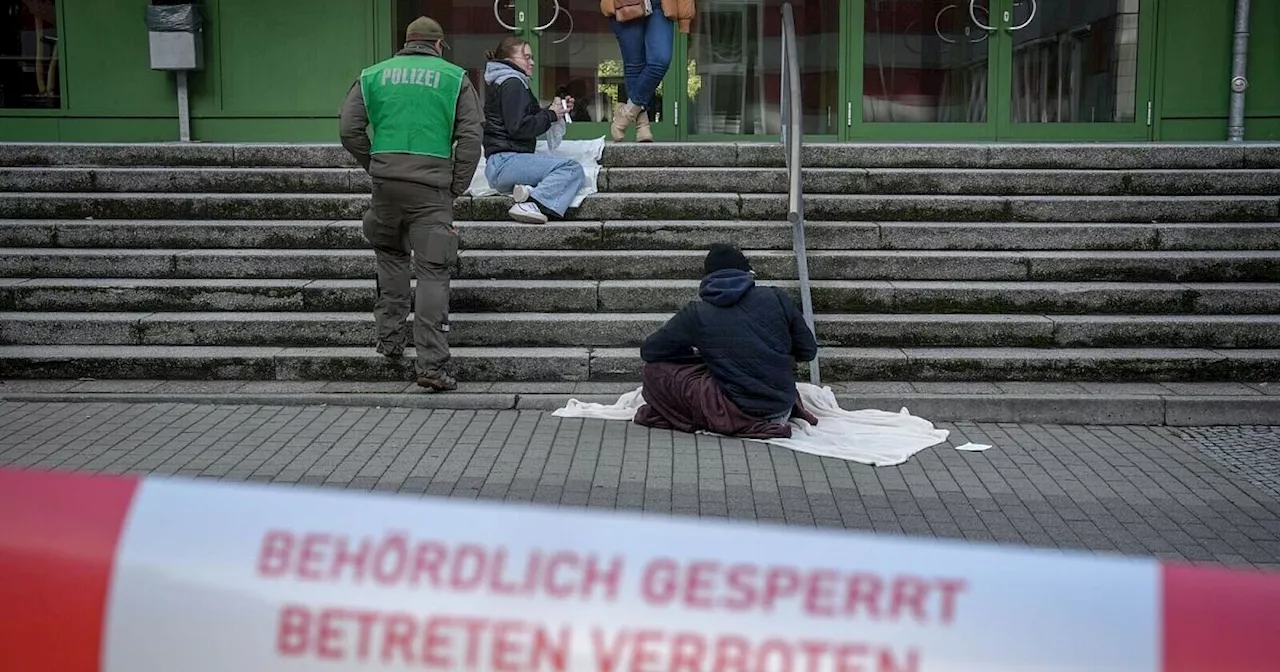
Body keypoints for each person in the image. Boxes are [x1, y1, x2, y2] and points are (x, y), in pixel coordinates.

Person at [338, 16, 483, 392]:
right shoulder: (454, 78)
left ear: (406, 43)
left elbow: (348, 127)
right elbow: (470, 137)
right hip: (432, 189)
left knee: (390, 257)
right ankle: (432, 366)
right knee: (433, 271)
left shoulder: (373, 75)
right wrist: (457, 185)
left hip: (386, 187)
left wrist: (375, 165)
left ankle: (389, 342)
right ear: (437, 45)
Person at [637, 244, 819, 437]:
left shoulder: (696, 313)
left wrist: (693, 354)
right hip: (782, 406)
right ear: (747, 272)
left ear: (707, 278)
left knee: (653, 371)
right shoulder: (776, 296)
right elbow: (808, 351)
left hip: (740, 411)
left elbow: (650, 351)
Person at [482, 37, 586, 225]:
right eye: (527, 57)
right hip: (507, 162)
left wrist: (554, 111)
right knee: (571, 169)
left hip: (503, 164)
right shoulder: (512, 82)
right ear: (509, 61)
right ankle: (532, 204)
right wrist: (551, 114)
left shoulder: (507, 81)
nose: (532, 62)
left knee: (557, 167)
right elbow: (519, 127)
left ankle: (528, 191)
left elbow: (519, 121)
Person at [599, 0, 695, 142]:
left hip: (661, 6)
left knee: (660, 61)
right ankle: (642, 126)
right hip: (627, 3)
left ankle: (626, 114)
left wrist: (685, 17)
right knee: (634, 65)